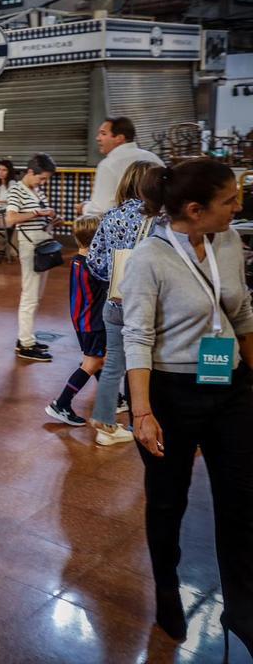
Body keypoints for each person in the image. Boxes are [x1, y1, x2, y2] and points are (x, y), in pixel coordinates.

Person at [123, 158, 253, 650]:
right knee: (168, 499)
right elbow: (137, 337)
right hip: (171, 394)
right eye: (229, 201)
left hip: (230, 386)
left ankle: (244, 605)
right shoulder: (149, 259)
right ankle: (166, 588)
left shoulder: (228, 240)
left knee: (242, 499)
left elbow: (241, 312)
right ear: (195, 210)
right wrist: (142, 413)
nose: (238, 207)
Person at [85, 159, 160, 446]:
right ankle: (151, 420)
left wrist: (112, 276)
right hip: (146, 303)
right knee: (149, 362)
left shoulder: (111, 215)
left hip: (114, 299)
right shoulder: (156, 219)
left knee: (114, 361)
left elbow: (94, 259)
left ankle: (105, 424)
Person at [45, 215, 109, 427]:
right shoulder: (95, 266)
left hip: (82, 320)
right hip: (94, 322)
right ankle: (61, 403)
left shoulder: (77, 260)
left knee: (98, 358)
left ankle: (113, 398)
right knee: (92, 362)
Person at [8, 153, 59, 362]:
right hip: (30, 247)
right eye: (42, 178)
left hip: (42, 245)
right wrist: (39, 213)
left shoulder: (36, 191)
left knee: (36, 296)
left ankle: (27, 336)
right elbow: (11, 218)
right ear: (30, 172)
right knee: (29, 295)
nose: (43, 182)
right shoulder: (16, 190)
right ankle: (25, 343)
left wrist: (52, 218)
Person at [80, 117, 163, 216]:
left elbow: (101, 208)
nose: (98, 138)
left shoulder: (108, 164)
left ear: (119, 138)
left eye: (103, 134)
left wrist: (84, 207)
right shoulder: (153, 158)